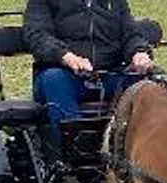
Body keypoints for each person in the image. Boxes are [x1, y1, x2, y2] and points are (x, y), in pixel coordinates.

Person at [23, 0, 156, 157]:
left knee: (156, 83)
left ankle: (151, 151)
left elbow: (131, 35)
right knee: (53, 80)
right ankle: (76, 152)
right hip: (65, 75)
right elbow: (37, 36)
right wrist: (66, 56)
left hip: (110, 75)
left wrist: (138, 52)